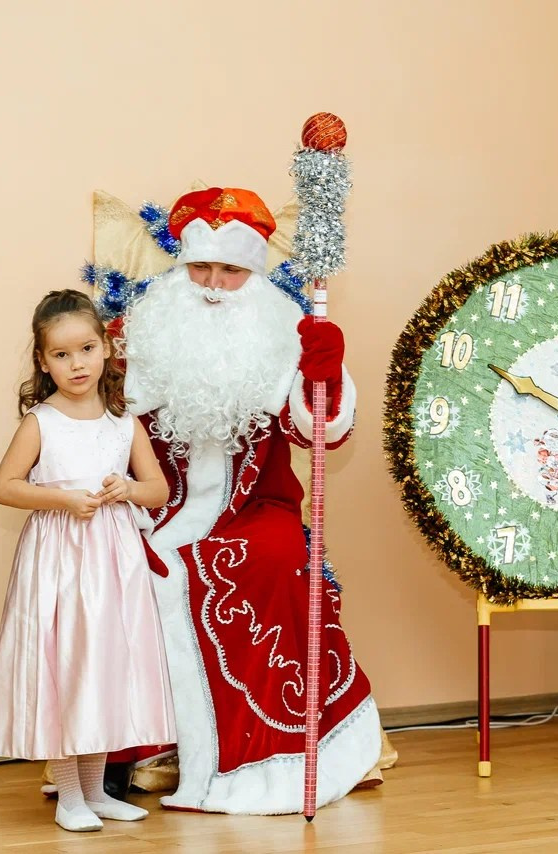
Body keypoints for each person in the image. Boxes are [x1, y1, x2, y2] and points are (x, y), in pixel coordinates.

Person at [118, 187, 382, 814]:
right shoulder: (147, 331)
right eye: (201, 268)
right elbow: (112, 430)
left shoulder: (284, 334)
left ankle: (265, 758)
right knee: (125, 562)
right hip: (156, 502)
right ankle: (137, 745)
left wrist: (321, 372)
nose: (212, 284)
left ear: (255, 275)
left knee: (270, 557)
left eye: (232, 270)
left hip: (257, 506)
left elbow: (321, 433)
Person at [0, 290, 177, 831]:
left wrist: (128, 489)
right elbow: (6, 487)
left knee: (104, 668)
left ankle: (96, 792)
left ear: (106, 349)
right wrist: (64, 499)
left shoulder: (124, 423)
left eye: (87, 349)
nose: (77, 364)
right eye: (62, 355)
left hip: (113, 563)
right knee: (67, 665)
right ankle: (69, 794)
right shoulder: (41, 423)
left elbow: (158, 490)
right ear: (43, 362)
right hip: (60, 563)